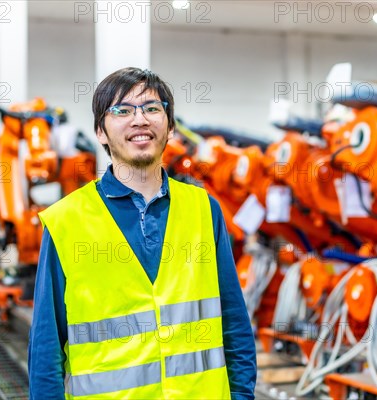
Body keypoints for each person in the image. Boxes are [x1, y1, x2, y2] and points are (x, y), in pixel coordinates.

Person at [28, 67, 256, 399]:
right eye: (122, 110)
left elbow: (234, 323)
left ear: (171, 126)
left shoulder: (205, 210)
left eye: (152, 108)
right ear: (101, 132)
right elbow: (46, 348)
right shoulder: (66, 220)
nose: (140, 120)